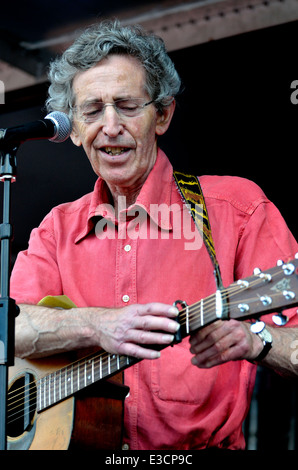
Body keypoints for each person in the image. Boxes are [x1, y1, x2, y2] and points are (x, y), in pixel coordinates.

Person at [11, 20, 298, 450]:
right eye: (91, 111)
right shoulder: (55, 230)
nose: (109, 126)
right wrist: (96, 325)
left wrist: (257, 339)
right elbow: (8, 331)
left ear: (162, 115)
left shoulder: (237, 208)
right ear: (72, 130)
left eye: (126, 105)